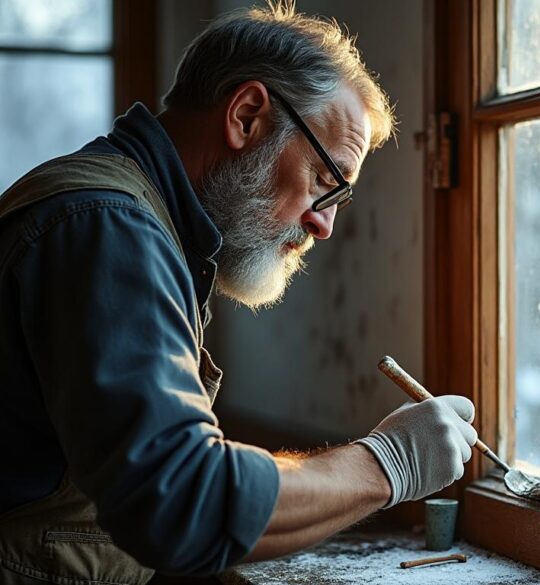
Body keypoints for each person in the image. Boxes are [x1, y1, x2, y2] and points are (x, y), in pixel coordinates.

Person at [0, 3, 476, 583]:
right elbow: (180, 503)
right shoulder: (107, 226)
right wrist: (387, 464)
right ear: (247, 115)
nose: (324, 225)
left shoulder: (130, 217)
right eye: (326, 182)